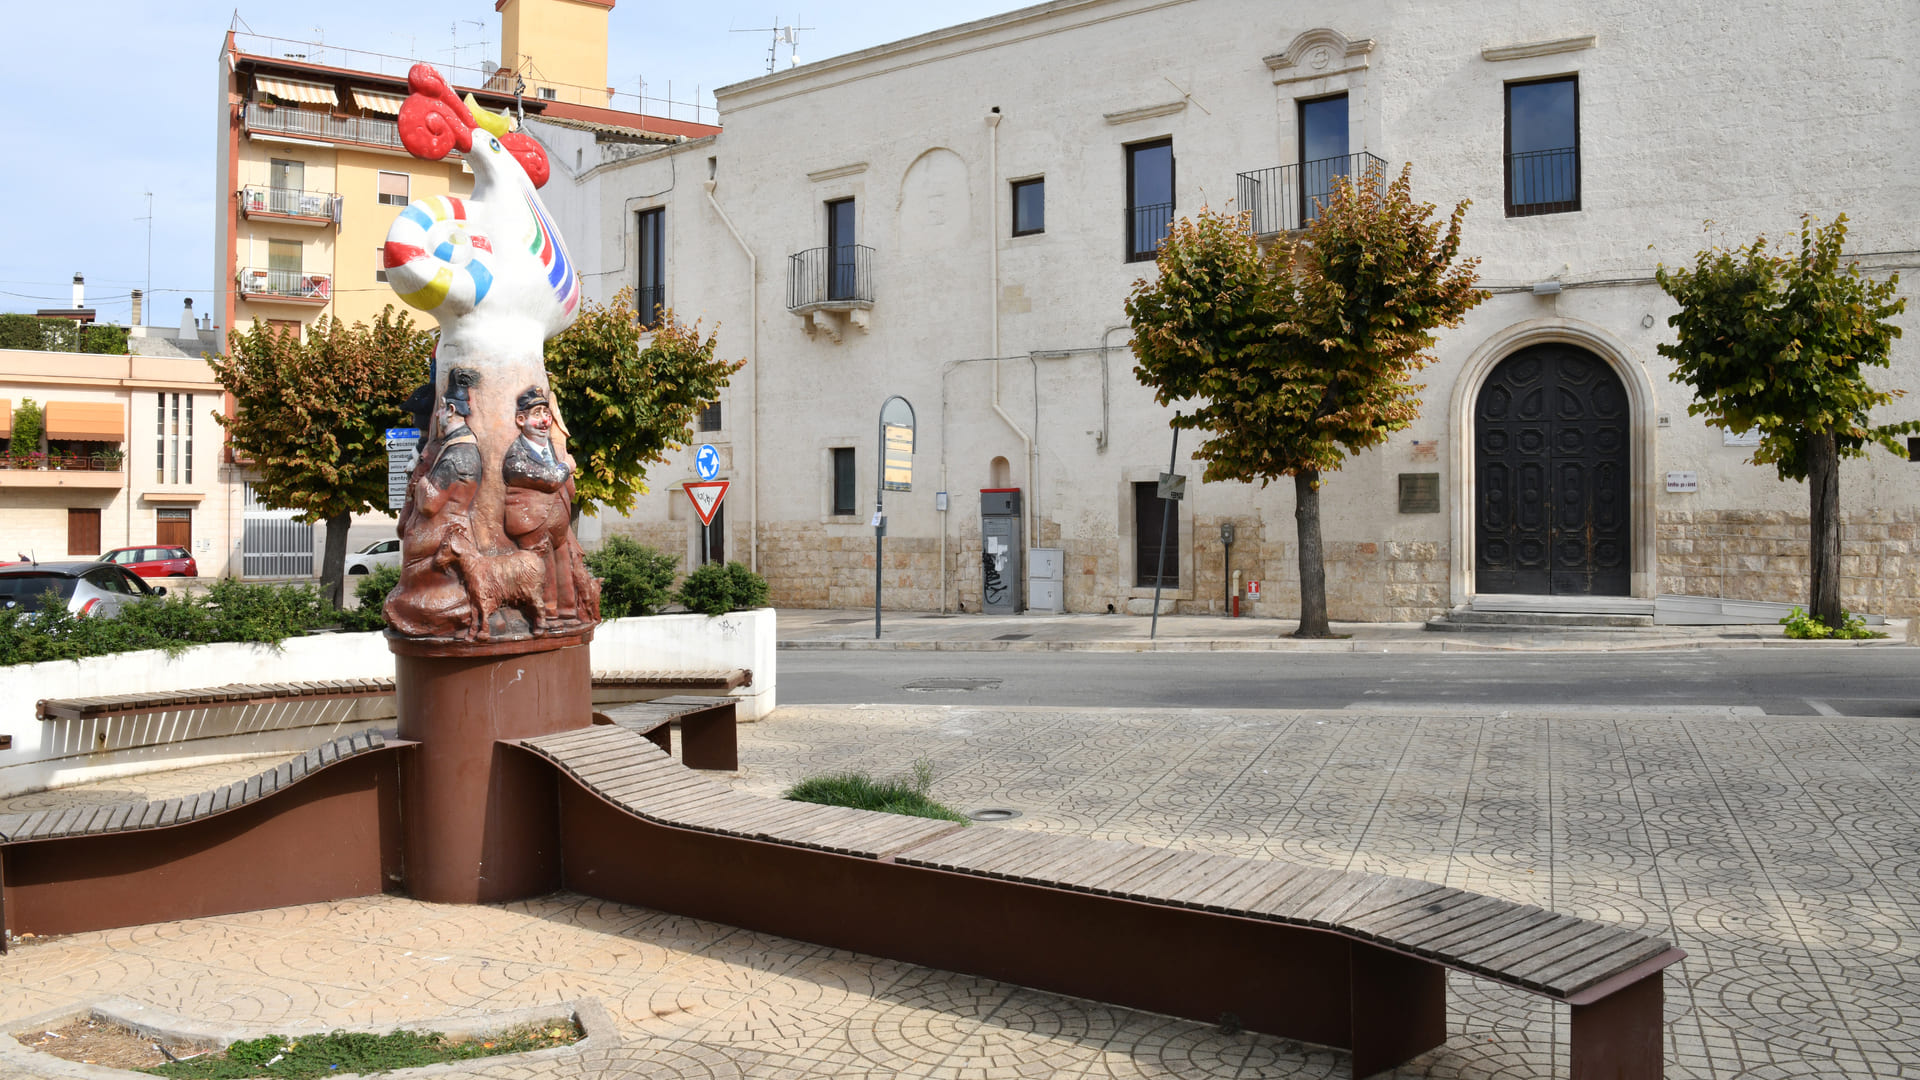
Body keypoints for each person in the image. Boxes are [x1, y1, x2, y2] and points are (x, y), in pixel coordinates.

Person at [384, 369, 483, 637]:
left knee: (422, 600)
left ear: (450, 410)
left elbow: (429, 503)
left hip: (446, 536)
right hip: (440, 534)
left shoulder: (457, 453)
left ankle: (450, 617)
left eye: (438, 411)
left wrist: (419, 478)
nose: (434, 418)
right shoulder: (448, 448)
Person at [502, 385, 594, 627]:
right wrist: (566, 467)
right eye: (537, 415)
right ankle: (548, 617)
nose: (544, 421)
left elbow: (564, 486)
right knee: (545, 571)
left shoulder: (551, 449)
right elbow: (551, 479)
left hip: (557, 525)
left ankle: (567, 612)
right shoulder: (516, 455)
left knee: (564, 567)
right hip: (533, 524)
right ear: (521, 420)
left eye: (546, 414)